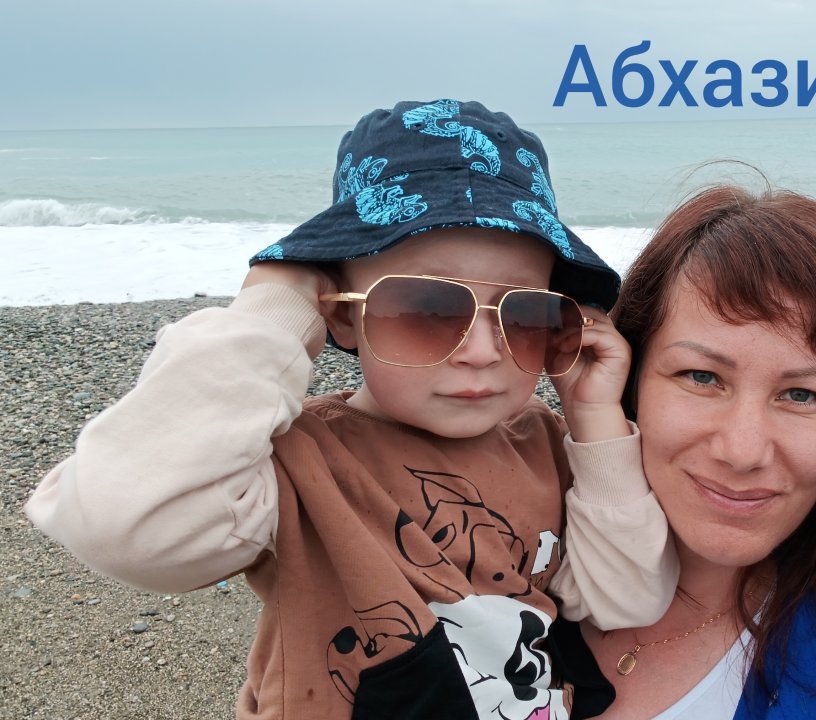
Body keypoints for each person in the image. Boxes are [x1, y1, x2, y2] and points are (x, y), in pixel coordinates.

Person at [24, 99, 678, 720]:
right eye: (426, 308)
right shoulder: (294, 457)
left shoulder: (549, 446)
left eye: (526, 313)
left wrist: (593, 415)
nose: (483, 352)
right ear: (339, 317)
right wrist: (275, 306)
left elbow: (625, 597)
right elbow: (125, 526)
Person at [555, 185, 816, 719]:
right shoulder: (488, 537)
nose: (743, 451)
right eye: (702, 377)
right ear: (628, 378)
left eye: (801, 395)